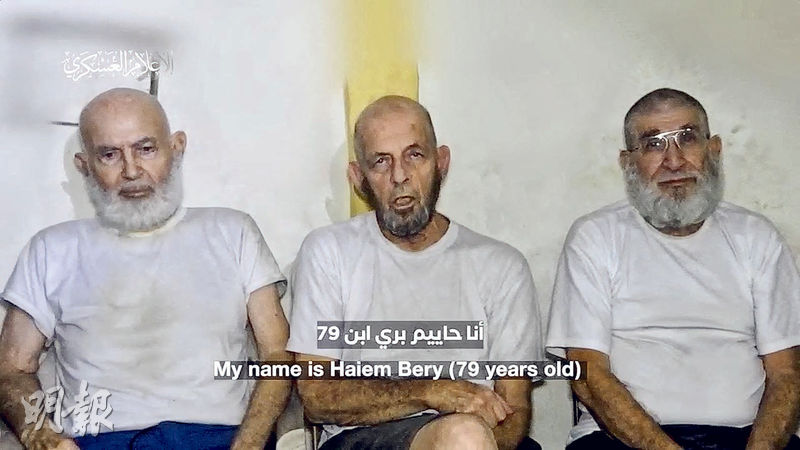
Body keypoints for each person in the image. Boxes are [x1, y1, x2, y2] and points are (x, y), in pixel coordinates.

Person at [0, 88, 290, 450]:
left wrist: (248, 445)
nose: (131, 170)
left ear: (177, 147)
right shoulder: (50, 249)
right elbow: (11, 369)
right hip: (99, 441)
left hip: (219, 438)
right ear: (84, 166)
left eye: (146, 149)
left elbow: (278, 354)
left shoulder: (233, 232)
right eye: (109, 155)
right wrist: (46, 439)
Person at [546, 88, 800, 449]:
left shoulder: (756, 236)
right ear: (627, 162)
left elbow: (787, 373)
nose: (674, 161)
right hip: (622, 442)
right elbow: (587, 372)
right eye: (653, 145)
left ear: (714, 149)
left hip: (747, 439)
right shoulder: (596, 237)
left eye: (687, 138)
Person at [287, 95, 543, 450]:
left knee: (466, 435)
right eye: (381, 162)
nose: (399, 176)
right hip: (363, 437)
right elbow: (318, 397)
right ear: (358, 178)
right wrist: (432, 392)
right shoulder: (329, 252)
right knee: (462, 434)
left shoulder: (501, 266)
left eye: (415, 155)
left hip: (481, 437)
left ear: (442, 163)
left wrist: (476, 441)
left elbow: (514, 408)